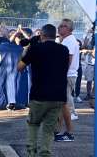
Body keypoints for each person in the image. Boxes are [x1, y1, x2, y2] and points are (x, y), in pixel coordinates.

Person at [18, 24, 69, 156]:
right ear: (54, 35)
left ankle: (31, 153)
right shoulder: (64, 50)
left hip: (39, 95)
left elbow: (20, 67)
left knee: (33, 124)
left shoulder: (35, 49)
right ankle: (45, 154)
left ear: (42, 35)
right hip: (58, 96)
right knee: (48, 129)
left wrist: (27, 48)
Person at [55, 18, 79, 142]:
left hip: (67, 75)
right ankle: (59, 130)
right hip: (67, 74)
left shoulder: (69, 41)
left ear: (69, 29)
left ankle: (69, 133)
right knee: (61, 104)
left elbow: (67, 60)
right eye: (60, 25)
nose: (59, 27)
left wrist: (59, 75)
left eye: (63, 26)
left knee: (64, 105)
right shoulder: (66, 40)